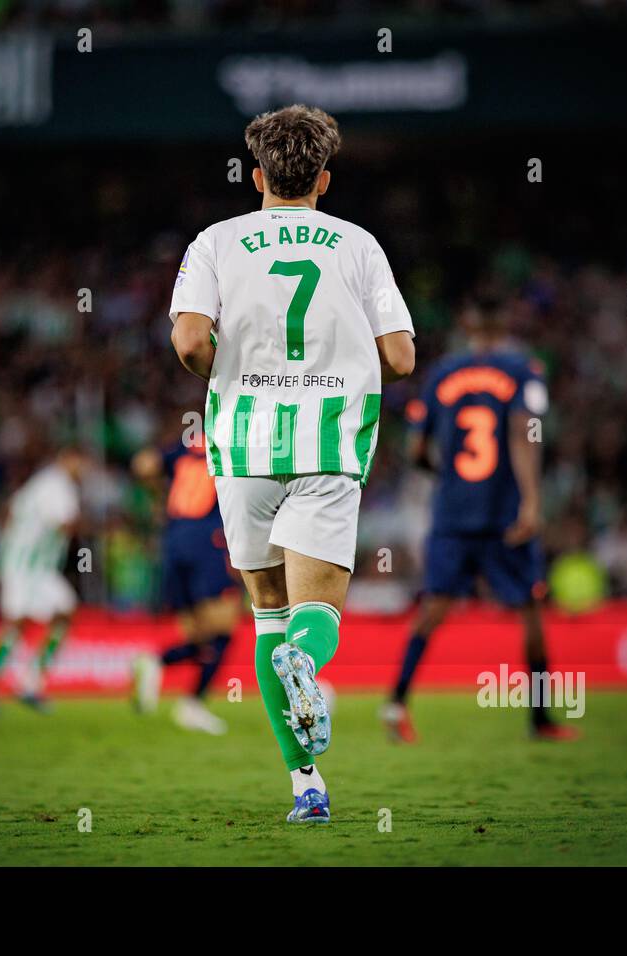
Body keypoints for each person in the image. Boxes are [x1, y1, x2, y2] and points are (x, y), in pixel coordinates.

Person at [169, 104, 416, 823]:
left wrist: (235, 376)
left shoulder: (216, 242)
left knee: (267, 615)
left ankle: (306, 784)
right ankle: (306, 666)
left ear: (256, 176)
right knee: (314, 616)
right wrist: (345, 373)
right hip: (329, 443)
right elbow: (401, 356)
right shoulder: (359, 246)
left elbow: (188, 343)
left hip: (243, 447)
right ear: (325, 179)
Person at [382, 296, 578, 742]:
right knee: (530, 610)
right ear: (505, 323)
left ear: (468, 325)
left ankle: (395, 705)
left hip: (452, 514)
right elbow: (523, 432)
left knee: (433, 610)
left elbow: (416, 450)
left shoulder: (441, 375)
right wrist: (530, 502)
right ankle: (541, 720)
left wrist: (446, 475)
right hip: (505, 515)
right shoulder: (523, 370)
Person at [131, 426, 242, 735]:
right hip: (206, 543)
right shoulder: (237, 446)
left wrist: (158, 496)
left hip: (173, 542)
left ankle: (155, 663)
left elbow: (143, 464)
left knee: (201, 638)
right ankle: (192, 703)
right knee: (224, 632)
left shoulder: (189, 444)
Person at [0, 446, 88, 714]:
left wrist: (14, 536)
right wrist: (99, 526)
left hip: (40, 570)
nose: (85, 470)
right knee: (16, 624)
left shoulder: (42, 482)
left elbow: (11, 508)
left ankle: (30, 683)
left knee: (65, 611)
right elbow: (65, 525)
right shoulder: (58, 486)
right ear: (68, 458)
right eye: (82, 463)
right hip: (22, 567)